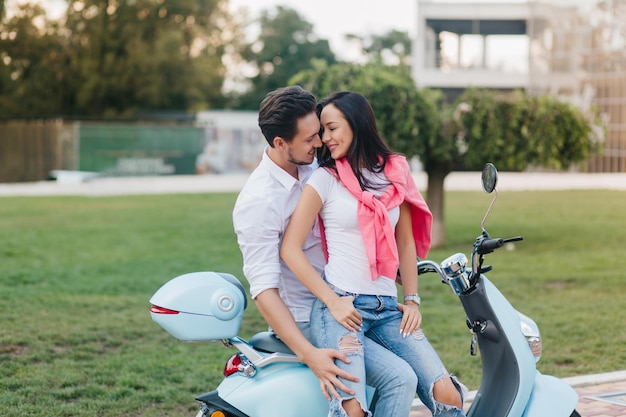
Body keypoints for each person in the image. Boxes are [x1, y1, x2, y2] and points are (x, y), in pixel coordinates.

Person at [232, 86, 418, 416]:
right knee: (387, 384)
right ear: (279, 143)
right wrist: (308, 353)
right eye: (309, 139)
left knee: (404, 378)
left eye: (319, 133)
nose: (319, 144)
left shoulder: (313, 166)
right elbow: (263, 289)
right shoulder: (259, 201)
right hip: (309, 316)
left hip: (352, 300)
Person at [280, 91, 467, 417]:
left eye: (332, 128)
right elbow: (290, 249)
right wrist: (333, 301)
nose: (325, 139)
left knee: (446, 394)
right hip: (340, 307)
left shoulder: (394, 174)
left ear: (357, 123)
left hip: (386, 309)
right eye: (322, 131)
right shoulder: (325, 179)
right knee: (354, 409)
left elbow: (405, 242)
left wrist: (412, 299)